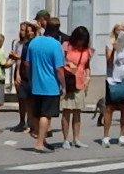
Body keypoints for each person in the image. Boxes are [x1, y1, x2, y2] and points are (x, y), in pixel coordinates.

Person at [24, 23, 65, 153]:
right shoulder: (56, 45)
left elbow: (27, 63)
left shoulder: (34, 42)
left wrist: (30, 78)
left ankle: (42, 138)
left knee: (37, 114)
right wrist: (63, 85)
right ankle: (40, 142)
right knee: (46, 115)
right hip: (51, 86)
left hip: (36, 84)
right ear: (56, 31)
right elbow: (59, 69)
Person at [100, 22, 124, 147]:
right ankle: (106, 136)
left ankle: (122, 135)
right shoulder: (110, 43)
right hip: (113, 79)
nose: (120, 32)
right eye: (118, 30)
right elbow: (109, 62)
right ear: (114, 31)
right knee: (109, 109)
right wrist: (115, 47)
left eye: (123, 30)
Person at [61, 26, 95, 149]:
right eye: (80, 39)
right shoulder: (66, 46)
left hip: (80, 82)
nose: (81, 42)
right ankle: (65, 139)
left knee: (77, 112)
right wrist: (68, 64)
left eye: (84, 39)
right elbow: (60, 61)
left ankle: (76, 139)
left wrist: (88, 78)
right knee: (66, 111)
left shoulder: (87, 50)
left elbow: (87, 66)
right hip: (68, 81)